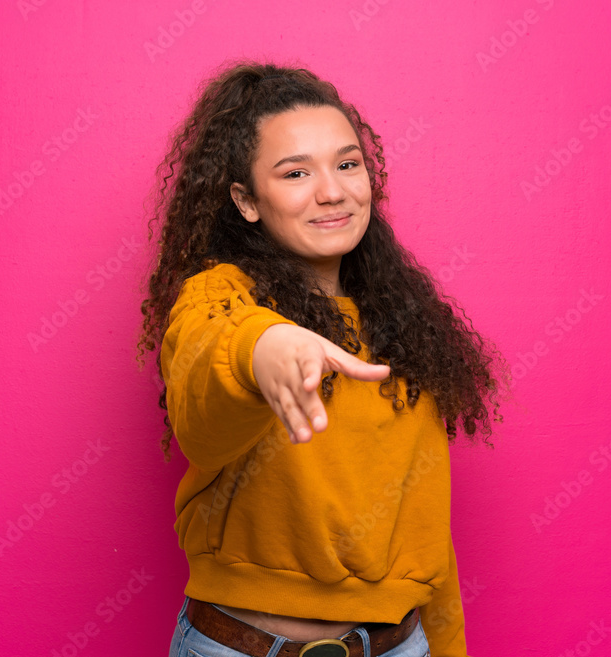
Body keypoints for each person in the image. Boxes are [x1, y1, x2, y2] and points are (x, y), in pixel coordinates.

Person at [135, 60, 506, 657]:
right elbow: (206, 389)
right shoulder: (222, 299)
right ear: (246, 201)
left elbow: (425, 534)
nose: (331, 190)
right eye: (295, 172)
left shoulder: (405, 324)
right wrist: (265, 350)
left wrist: (448, 648)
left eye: (347, 163)